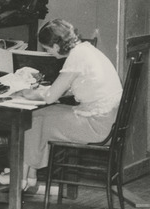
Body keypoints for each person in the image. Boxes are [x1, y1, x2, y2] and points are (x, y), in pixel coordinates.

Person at [10, 19, 122, 190]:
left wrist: (28, 93)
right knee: (40, 116)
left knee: (31, 119)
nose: (49, 53)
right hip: (107, 119)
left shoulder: (76, 57)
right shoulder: (86, 50)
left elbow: (49, 98)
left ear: (56, 46)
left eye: (47, 49)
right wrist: (48, 90)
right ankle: (28, 177)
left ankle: (20, 178)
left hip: (97, 125)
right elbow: (78, 87)